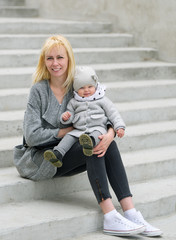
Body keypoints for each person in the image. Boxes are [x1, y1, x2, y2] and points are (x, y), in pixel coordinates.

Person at [13, 35, 162, 237]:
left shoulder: (77, 86)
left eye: (60, 57)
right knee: (89, 144)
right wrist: (67, 131)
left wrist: (110, 133)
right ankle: (110, 215)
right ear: (43, 61)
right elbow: (31, 136)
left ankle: (131, 212)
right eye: (49, 58)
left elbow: (101, 111)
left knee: (98, 142)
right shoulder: (38, 91)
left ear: (69, 59)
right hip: (43, 158)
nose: (55, 63)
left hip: (73, 150)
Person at [43, 66, 126, 168]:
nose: (86, 90)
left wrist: (119, 127)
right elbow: (70, 114)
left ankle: (90, 142)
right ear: (76, 90)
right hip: (79, 130)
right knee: (68, 137)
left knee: (97, 134)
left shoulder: (102, 100)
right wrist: (65, 118)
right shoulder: (74, 101)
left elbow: (113, 114)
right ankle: (58, 154)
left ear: (95, 86)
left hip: (98, 127)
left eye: (90, 87)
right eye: (82, 88)